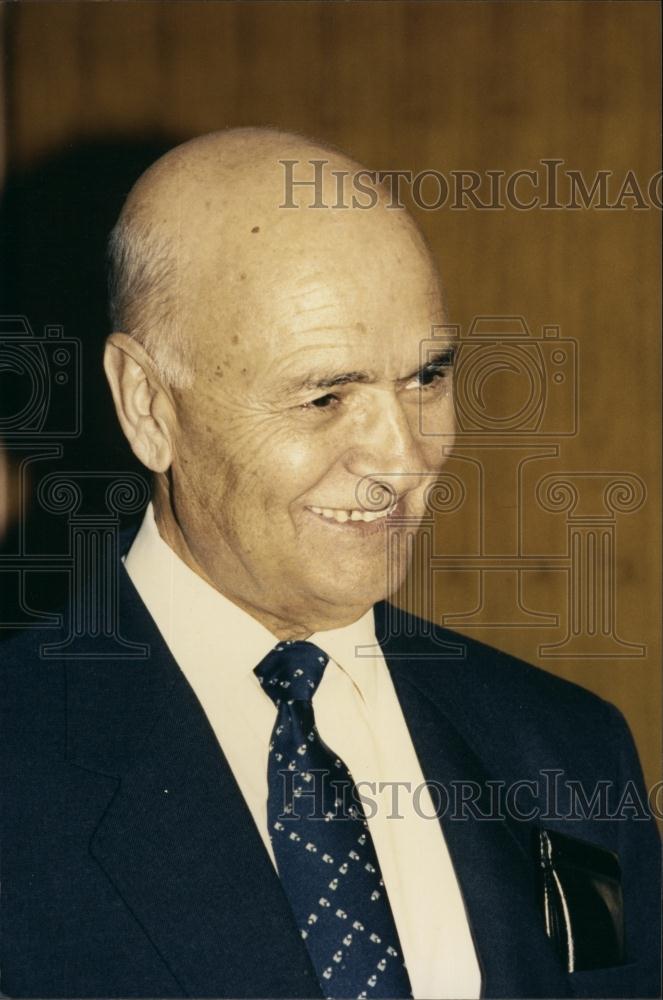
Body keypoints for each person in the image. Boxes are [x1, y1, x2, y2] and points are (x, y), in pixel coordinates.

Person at [0, 128, 659, 1000]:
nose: (402, 457)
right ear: (147, 403)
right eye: (325, 395)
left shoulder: (568, 752)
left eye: (425, 379)